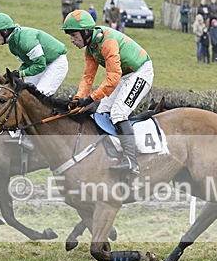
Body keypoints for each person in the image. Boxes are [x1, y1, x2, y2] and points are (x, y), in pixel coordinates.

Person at [61, 9, 154, 175]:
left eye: (74, 35)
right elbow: (88, 77)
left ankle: (132, 163)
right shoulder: (90, 49)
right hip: (124, 75)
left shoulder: (108, 42)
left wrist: (90, 98)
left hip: (140, 72)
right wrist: (78, 98)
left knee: (118, 113)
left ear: (86, 32)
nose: (72, 40)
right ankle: (110, 154)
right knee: (102, 111)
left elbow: (113, 78)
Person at [0, 13, 69, 96]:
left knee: (40, 95)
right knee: (25, 94)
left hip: (56, 62)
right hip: (41, 63)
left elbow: (40, 65)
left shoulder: (26, 41)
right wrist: (14, 74)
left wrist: (20, 74)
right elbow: (28, 64)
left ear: (5, 31)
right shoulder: (12, 45)